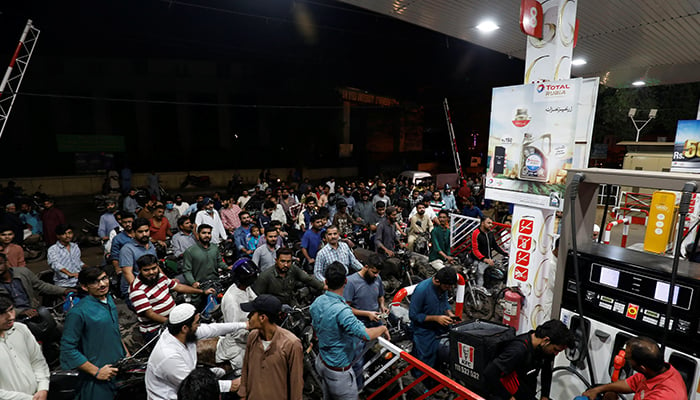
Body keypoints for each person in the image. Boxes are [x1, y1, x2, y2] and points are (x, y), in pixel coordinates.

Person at [311, 262, 390, 400]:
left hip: (321, 361)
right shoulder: (342, 311)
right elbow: (366, 335)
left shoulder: (317, 302)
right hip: (338, 372)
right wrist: (382, 328)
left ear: (326, 281)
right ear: (345, 281)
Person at [145, 303, 245, 400]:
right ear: (184, 328)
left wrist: (244, 325)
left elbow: (212, 329)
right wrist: (231, 385)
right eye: (197, 323)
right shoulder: (168, 356)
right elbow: (194, 385)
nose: (199, 325)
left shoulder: (181, 333)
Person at [60, 267, 128, 399]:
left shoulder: (108, 300)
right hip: (97, 379)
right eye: (95, 282)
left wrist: (125, 353)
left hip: (118, 370)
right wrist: (97, 372)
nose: (102, 284)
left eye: (104, 279)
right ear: (85, 287)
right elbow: (67, 349)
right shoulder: (77, 313)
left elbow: (114, 331)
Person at [129, 254, 215, 343]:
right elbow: (150, 314)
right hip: (155, 329)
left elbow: (179, 287)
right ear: (139, 270)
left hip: (171, 322)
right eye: (146, 270)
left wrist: (202, 292)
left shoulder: (160, 277)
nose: (151, 272)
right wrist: (174, 323)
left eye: (154, 268)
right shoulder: (137, 289)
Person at [483, 319, 575, 400]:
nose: (556, 354)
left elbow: (546, 371)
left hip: (524, 390)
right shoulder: (517, 350)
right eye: (555, 350)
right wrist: (509, 397)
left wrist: (545, 396)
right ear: (546, 340)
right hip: (503, 392)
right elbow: (489, 373)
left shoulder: (546, 350)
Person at [238, 294, 304, 400]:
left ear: (262, 318)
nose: (248, 317)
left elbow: (296, 383)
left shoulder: (291, 344)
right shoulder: (252, 336)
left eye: (252, 313)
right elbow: (246, 368)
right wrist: (243, 394)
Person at [581, 336, 688, 400]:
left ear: (642, 367)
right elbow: (629, 383)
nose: (625, 360)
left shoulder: (664, 396)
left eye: (628, 358)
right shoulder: (656, 370)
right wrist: (599, 389)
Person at [343, 254, 389, 388]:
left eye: (378, 273)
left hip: (375, 321)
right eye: (374, 272)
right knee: (357, 359)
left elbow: (380, 296)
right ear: (366, 267)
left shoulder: (377, 278)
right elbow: (346, 308)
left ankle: (373, 379)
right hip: (359, 324)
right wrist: (366, 314)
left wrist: (382, 306)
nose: (376, 275)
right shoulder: (351, 282)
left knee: (377, 352)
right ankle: (358, 388)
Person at [409, 267, 459, 373]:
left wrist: (450, 314)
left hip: (439, 328)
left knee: (439, 358)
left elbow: (445, 303)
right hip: (423, 332)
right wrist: (436, 318)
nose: (449, 289)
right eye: (447, 286)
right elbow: (413, 315)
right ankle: (421, 386)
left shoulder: (443, 287)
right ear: (437, 281)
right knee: (423, 362)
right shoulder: (422, 290)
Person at [216, 258, 260, 371]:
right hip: (237, 345)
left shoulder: (245, 288)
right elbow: (234, 331)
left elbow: (256, 300)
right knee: (250, 368)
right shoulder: (232, 300)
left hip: (250, 330)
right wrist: (255, 336)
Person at [254, 247, 323, 306]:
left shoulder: (293, 269)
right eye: (283, 261)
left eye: (288, 261)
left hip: (291, 302)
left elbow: (308, 279)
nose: (286, 265)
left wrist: (324, 287)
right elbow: (257, 298)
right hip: (273, 307)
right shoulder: (265, 276)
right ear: (276, 260)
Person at [119, 217, 157, 301]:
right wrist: (139, 293)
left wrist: (166, 281)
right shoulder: (127, 249)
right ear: (133, 232)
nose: (144, 234)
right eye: (140, 232)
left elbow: (156, 266)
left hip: (149, 283)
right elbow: (128, 273)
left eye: (146, 231)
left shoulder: (150, 244)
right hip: (133, 290)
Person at [471, 216, 508, 287]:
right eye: (488, 223)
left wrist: (505, 253)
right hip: (479, 260)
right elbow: (475, 250)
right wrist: (484, 259)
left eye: (491, 223)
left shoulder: (490, 233)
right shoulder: (476, 233)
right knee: (480, 277)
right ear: (482, 223)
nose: (491, 225)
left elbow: (495, 245)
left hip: (489, 259)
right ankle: (479, 291)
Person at [108, 211, 135, 276]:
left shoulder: (139, 234)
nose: (128, 224)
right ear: (121, 223)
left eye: (130, 222)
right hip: (126, 267)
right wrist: (118, 269)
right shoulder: (117, 238)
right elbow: (115, 256)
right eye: (125, 222)